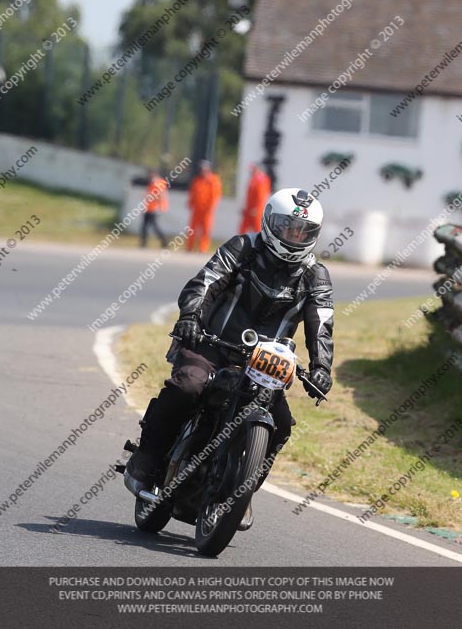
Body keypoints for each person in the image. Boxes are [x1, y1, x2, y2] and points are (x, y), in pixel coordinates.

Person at [126, 188, 334, 526]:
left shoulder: (315, 275)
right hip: (212, 345)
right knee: (187, 387)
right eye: (287, 227)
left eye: (302, 231)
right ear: (270, 222)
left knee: (281, 424)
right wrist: (191, 317)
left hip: (265, 365)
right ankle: (146, 458)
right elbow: (205, 283)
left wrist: (322, 367)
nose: (294, 236)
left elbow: (321, 324)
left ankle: (243, 493)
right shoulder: (243, 248)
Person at [186, 160, 222, 253]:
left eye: (204, 169)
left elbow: (215, 196)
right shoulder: (197, 180)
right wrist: (190, 203)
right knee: (192, 229)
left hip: (207, 210)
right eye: (201, 169)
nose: (202, 171)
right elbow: (193, 194)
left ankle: (203, 248)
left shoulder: (214, 180)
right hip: (197, 209)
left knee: (206, 230)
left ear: (209, 169)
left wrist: (212, 207)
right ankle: (189, 247)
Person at [239, 163, 271, 233]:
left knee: (257, 229)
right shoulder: (254, 179)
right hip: (249, 208)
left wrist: (257, 209)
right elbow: (248, 196)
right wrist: (244, 207)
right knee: (242, 229)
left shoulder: (261, 180)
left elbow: (261, 196)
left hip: (256, 210)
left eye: (253, 170)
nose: (251, 172)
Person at [140, 170, 168, 248]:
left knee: (154, 227)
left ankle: (164, 241)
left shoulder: (159, 183)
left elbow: (161, 196)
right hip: (148, 208)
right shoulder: (152, 183)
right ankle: (143, 243)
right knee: (145, 226)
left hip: (154, 208)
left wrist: (151, 197)